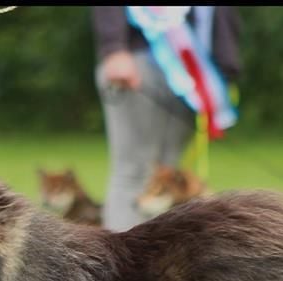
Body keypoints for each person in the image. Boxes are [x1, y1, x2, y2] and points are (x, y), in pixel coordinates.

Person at [91, 6, 241, 232]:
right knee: (134, 172)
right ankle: (120, 260)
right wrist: (113, 48)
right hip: (135, 62)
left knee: (170, 177)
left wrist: (224, 65)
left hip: (192, 69)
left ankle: (159, 259)